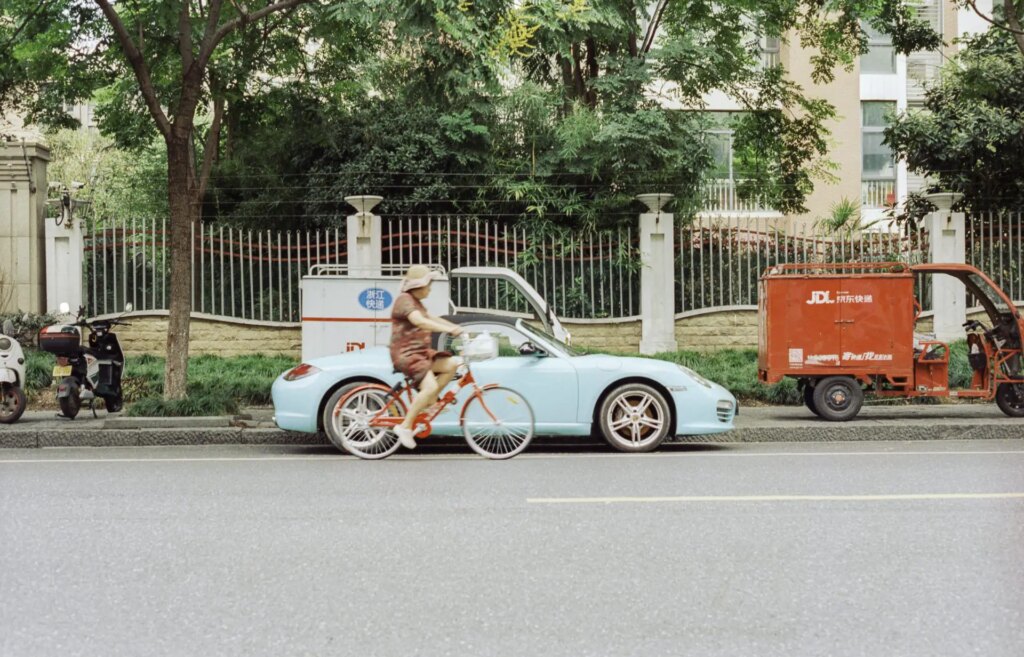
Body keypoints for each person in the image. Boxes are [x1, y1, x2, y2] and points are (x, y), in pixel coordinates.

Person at [390, 265, 465, 449]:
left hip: (421, 353)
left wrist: (458, 328)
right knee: (430, 386)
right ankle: (405, 426)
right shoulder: (404, 300)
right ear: (418, 286)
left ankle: (430, 401)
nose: (430, 289)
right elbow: (420, 321)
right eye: (428, 284)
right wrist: (449, 330)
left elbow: (431, 317)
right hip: (407, 354)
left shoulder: (417, 303)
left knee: (451, 364)